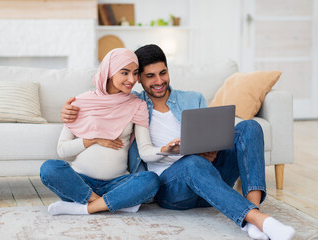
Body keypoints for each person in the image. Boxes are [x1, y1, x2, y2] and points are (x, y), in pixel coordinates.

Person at [60, 45, 295, 240]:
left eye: (163, 73)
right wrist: (68, 111)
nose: (159, 81)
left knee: (249, 127)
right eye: (150, 76)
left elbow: (214, 137)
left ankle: (253, 213)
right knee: (192, 163)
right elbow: (98, 102)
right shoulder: (131, 105)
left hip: (211, 178)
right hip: (173, 190)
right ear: (138, 79)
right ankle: (259, 221)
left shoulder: (193, 98)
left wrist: (212, 148)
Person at [40, 48, 180, 216]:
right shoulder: (81, 102)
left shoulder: (137, 105)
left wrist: (164, 150)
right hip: (80, 180)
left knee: (150, 180)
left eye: (135, 73)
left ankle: (85, 207)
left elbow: (145, 151)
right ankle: (112, 202)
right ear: (109, 72)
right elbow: (62, 150)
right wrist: (94, 140)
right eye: (124, 73)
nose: (131, 79)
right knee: (49, 168)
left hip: (117, 183)